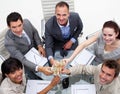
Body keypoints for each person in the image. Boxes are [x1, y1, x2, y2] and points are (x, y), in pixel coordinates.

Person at [4, 12, 47, 79]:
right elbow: (23, 60)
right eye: (14, 27)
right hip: (24, 59)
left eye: (19, 25)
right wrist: (40, 69)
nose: (18, 29)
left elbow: (35, 32)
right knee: (38, 78)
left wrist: (39, 46)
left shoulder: (27, 23)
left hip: (36, 51)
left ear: (23, 22)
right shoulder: (8, 42)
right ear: (9, 27)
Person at [45, 1, 83, 66]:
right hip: (57, 45)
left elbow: (80, 28)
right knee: (58, 67)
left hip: (72, 43)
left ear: (68, 14)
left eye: (64, 15)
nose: (61, 18)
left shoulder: (75, 17)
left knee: (73, 65)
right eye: (58, 14)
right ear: (55, 14)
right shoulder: (49, 25)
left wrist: (71, 41)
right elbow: (48, 46)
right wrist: (52, 60)